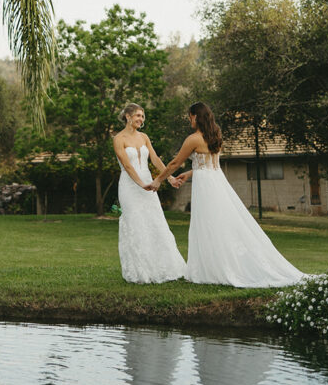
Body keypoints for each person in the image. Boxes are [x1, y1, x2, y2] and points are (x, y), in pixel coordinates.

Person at [146, 102, 304, 287]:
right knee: (219, 222)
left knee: (208, 224)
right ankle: (215, 266)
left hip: (206, 186)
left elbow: (174, 163)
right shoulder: (215, 135)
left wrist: (158, 180)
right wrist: (189, 174)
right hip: (216, 181)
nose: (189, 120)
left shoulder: (193, 139)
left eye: (189, 116)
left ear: (195, 116)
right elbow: (211, 165)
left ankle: (218, 269)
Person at [113, 103, 187, 283]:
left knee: (155, 222)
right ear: (128, 116)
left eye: (142, 117)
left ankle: (165, 268)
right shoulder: (118, 139)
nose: (141, 119)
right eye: (138, 115)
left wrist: (169, 178)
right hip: (130, 186)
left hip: (149, 184)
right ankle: (140, 271)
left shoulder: (144, 137)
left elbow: (154, 159)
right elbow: (127, 165)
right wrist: (140, 184)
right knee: (136, 224)